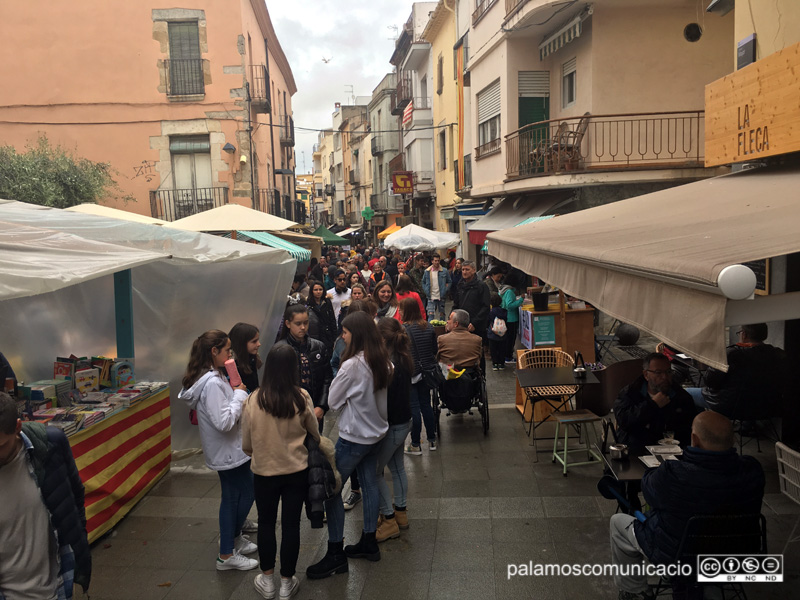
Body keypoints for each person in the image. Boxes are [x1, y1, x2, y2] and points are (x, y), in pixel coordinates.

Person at [609, 411, 765, 600]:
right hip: (738, 556)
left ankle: (635, 591)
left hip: (680, 557)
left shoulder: (675, 474)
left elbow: (649, 492)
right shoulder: (753, 470)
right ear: (732, 440)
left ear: (694, 439)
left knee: (618, 522)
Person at [306, 312, 392, 579]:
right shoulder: (383, 361)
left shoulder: (351, 365)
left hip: (354, 437)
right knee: (369, 484)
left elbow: (332, 401)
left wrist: (346, 402)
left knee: (332, 490)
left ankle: (335, 553)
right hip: (376, 434)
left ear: (357, 334)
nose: (341, 336)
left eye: (345, 332)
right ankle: (368, 542)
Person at [242, 345, 320, 600]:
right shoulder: (302, 397)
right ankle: (287, 581)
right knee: (290, 525)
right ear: (293, 369)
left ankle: (267, 580)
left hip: (264, 471)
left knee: (265, 523)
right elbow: (315, 433)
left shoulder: (254, 398)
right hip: (296, 471)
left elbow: (247, 443)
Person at [179, 330, 258, 571]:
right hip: (228, 451)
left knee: (233, 496)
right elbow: (223, 422)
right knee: (245, 492)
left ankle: (232, 541)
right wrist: (239, 395)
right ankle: (226, 553)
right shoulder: (212, 383)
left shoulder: (215, 375)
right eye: (227, 350)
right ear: (214, 352)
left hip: (231, 450)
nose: (230, 354)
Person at [0, 391, 91, 599]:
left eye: (1, 446)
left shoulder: (50, 445)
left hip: (56, 588)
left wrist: (79, 549)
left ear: (17, 428)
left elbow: (75, 497)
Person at [687, 323, 786, 417]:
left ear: (744, 335)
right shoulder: (779, 354)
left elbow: (709, 381)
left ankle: (706, 430)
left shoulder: (731, 354)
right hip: (768, 407)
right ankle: (747, 427)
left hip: (730, 407)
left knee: (686, 394)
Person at [374, 317, 413, 542]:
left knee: (376, 471)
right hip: (404, 422)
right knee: (397, 467)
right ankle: (401, 513)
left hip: (393, 425)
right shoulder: (403, 357)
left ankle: (388, 520)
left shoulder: (389, 364)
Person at [614, 353, 697, 452]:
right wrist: (652, 405)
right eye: (658, 372)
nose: (664, 377)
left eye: (668, 372)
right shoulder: (631, 392)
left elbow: (688, 429)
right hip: (636, 450)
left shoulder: (681, 396)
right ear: (646, 375)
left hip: (672, 452)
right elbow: (625, 422)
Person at [273, 305, 332, 433]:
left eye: (306, 323)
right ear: (288, 324)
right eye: (298, 323)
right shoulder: (280, 350)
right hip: (290, 412)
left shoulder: (319, 347)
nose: (303, 327)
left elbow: (327, 378)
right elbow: (275, 385)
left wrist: (321, 406)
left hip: (315, 409)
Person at [400, 297, 439, 456]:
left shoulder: (403, 330)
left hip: (411, 373)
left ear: (406, 311)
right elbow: (434, 349)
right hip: (426, 373)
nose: (400, 312)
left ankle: (415, 444)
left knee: (414, 409)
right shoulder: (428, 326)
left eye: (401, 310)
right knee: (426, 406)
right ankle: (432, 439)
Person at [453, 260, 491, 338]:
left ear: (474, 270)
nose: (464, 272)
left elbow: (486, 307)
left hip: (477, 327)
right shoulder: (460, 285)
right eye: (463, 270)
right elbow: (456, 304)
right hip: (462, 325)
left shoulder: (481, 286)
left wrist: (475, 323)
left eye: (467, 269)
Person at [500, 269, 527, 364]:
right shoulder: (510, 292)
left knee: (508, 338)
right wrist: (520, 300)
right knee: (510, 339)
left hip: (506, 317)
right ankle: (508, 357)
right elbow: (510, 305)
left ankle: (507, 356)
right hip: (511, 318)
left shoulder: (503, 289)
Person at [229, 322, 263, 393]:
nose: (259, 344)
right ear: (242, 344)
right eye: (254, 341)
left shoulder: (252, 359)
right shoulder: (232, 367)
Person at [306, 280, 337, 351]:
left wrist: (334, 337)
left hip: (327, 335)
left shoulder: (327, 302)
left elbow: (332, 319)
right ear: (312, 291)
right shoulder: (308, 304)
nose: (318, 292)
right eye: (316, 290)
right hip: (315, 335)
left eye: (320, 289)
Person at [422, 253, 452, 321]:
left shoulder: (444, 271)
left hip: (441, 296)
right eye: (435, 260)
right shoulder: (427, 271)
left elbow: (449, 281)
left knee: (442, 314)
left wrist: (446, 290)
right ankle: (430, 329)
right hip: (431, 296)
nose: (437, 262)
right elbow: (423, 282)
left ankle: (442, 329)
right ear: (432, 261)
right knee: (430, 314)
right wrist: (426, 290)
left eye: (438, 260)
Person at [486, 293, 508, 371]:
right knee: (502, 349)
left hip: (493, 334)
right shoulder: (504, 311)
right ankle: (501, 363)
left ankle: (495, 364)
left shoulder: (491, 312)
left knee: (493, 349)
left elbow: (488, 321)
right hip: (503, 334)